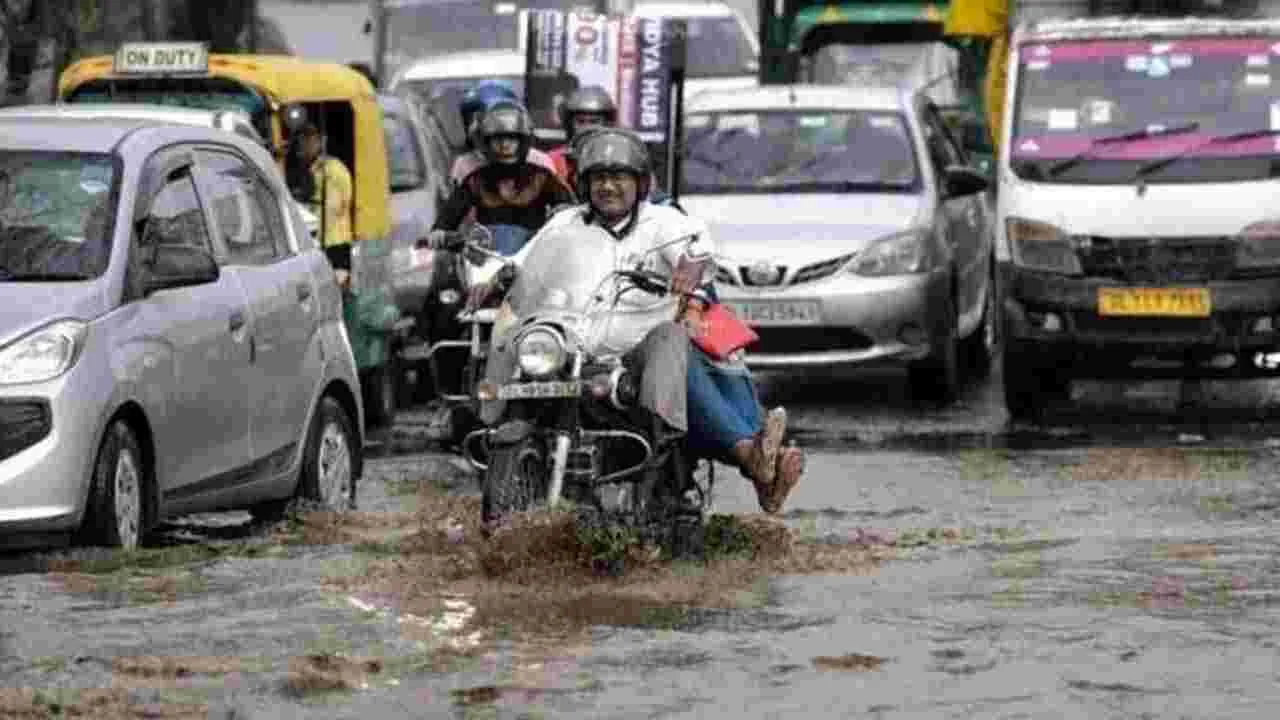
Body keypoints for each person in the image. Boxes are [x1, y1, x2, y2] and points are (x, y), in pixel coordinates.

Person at [477, 128, 804, 515]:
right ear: (584, 184)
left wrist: (692, 269)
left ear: (640, 183)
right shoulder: (565, 223)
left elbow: (697, 250)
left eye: (618, 177)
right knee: (520, 353)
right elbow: (522, 261)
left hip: (635, 357)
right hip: (567, 348)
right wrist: (491, 279)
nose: (608, 187)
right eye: (599, 178)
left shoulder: (663, 223)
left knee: (670, 338)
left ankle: (698, 449)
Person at [422, 100, 574, 255]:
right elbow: (452, 210)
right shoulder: (476, 180)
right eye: (497, 139)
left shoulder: (541, 176)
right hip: (488, 258)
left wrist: (563, 212)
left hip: (534, 257)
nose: (504, 145)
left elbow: (570, 209)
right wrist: (439, 230)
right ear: (486, 142)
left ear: (522, 140)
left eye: (511, 138)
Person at [297, 122, 355, 288]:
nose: (306, 145)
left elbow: (336, 206)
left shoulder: (332, 168)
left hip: (334, 242)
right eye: (303, 141)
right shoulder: (310, 169)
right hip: (319, 242)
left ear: (321, 141)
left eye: (311, 140)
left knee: (338, 287)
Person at [548, 85, 617, 188]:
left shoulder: (618, 158)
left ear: (607, 124)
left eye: (594, 122)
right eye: (581, 121)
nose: (587, 128)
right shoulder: (553, 160)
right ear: (570, 124)